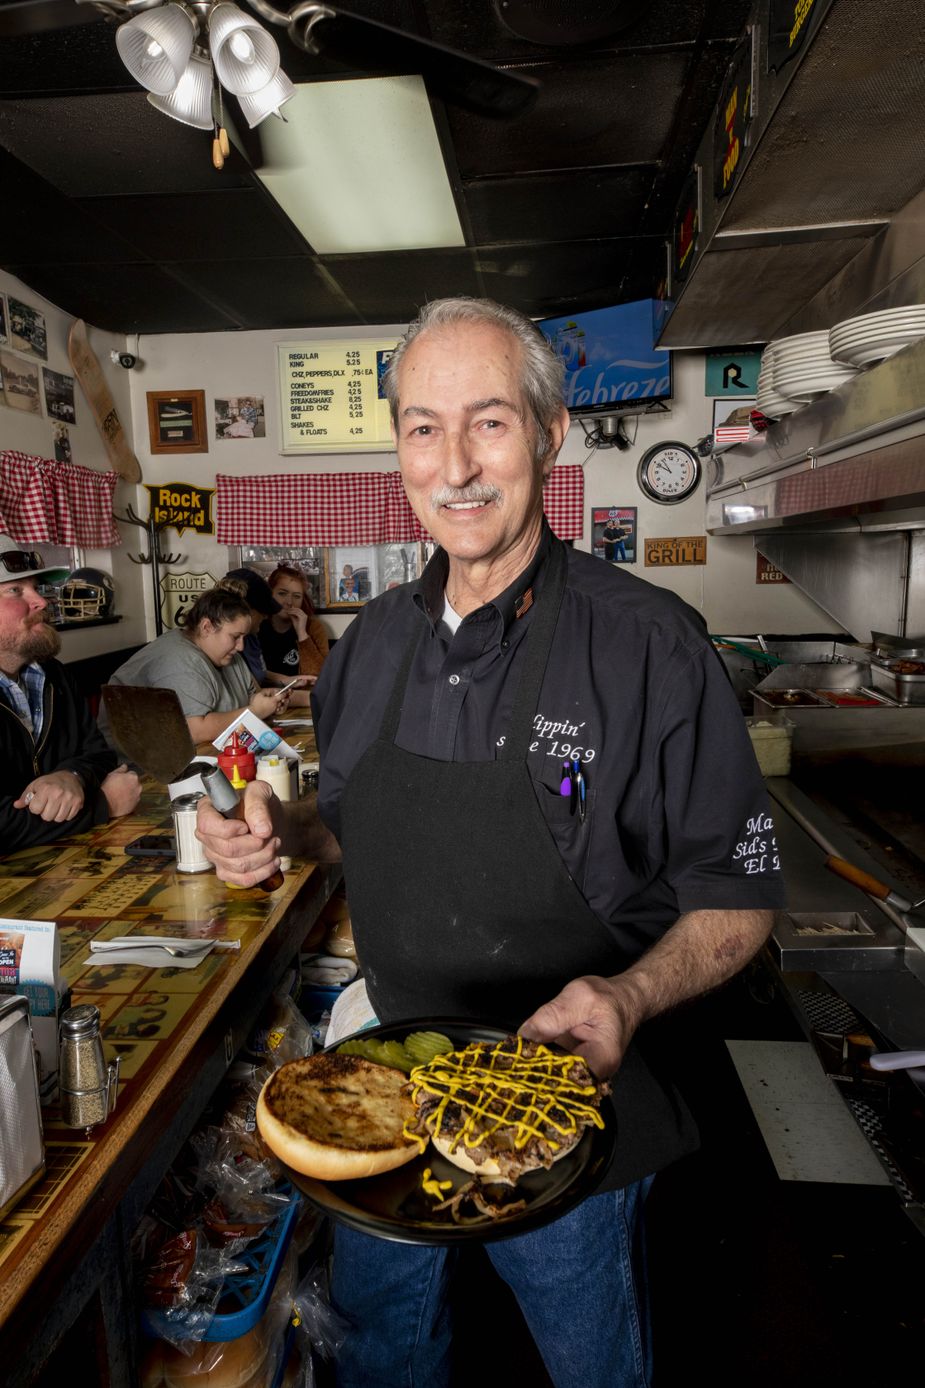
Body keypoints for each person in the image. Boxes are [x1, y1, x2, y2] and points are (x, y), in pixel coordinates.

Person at [197, 297, 785, 1388]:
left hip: (562, 1105)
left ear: (551, 435)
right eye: (423, 426)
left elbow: (737, 894)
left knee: (592, 1363)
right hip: (380, 1094)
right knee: (385, 1356)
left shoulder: (649, 643)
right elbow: (357, 823)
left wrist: (628, 997)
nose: (454, 463)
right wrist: (283, 827)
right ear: (399, 450)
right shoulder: (367, 644)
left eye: (489, 422)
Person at [0, 539, 141, 852]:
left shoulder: (54, 674)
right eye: (15, 590)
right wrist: (103, 804)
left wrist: (71, 775)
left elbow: (99, 754)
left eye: (35, 587)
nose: (40, 601)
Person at [102, 581, 293, 746]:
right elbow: (195, 730)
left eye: (244, 637)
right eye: (235, 637)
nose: (241, 646)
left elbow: (252, 697)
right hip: (138, 766)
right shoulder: (178, 660)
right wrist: (254, 712)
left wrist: (269, 701)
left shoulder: (228, 654)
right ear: (206, 627)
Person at [224, 567, 313, 705]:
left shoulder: (251, 637)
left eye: (297, 596)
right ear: (244, 610)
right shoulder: (230, 645)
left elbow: (258, 677)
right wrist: (312, 698)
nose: (266, 616)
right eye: (263, 610)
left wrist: (287, 680)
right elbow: (256, 697)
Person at [259, 565, 329, 680]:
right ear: (270, 594)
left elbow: (318, 678)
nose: (289, 602)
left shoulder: (314, 627)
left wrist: (302, 634)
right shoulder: (257, 626)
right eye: (282, 593)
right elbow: (254, 675)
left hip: (303, 694)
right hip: (266, 694)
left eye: (297, 596)